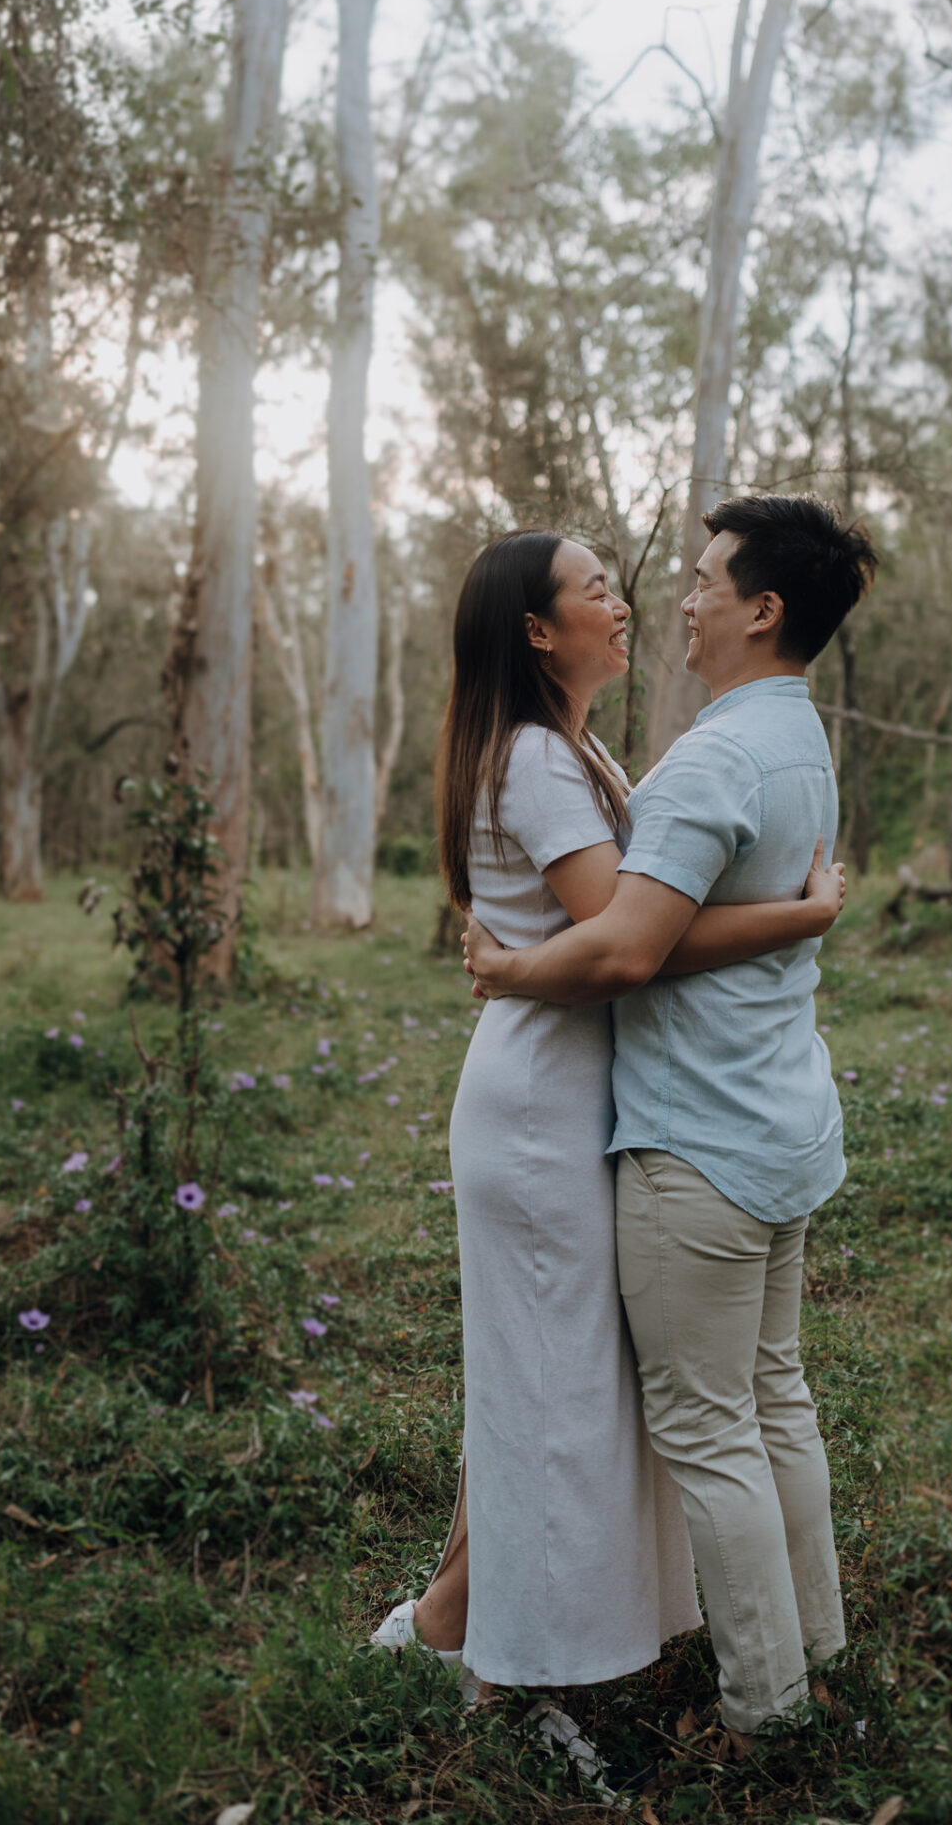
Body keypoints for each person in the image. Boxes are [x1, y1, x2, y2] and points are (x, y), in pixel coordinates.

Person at [373, 529, 846, 1703]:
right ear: (538, 631)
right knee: (549, 1388)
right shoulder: (536, 758)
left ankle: (452, 1616)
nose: (629, 604)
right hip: (544, 1100)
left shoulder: (575, 751)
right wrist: (800, 918)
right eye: (597, 590)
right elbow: (635, 946)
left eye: (653, 587)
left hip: (583, 1089)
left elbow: (630, 933)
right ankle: (510, 1658)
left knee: (549, 1383)